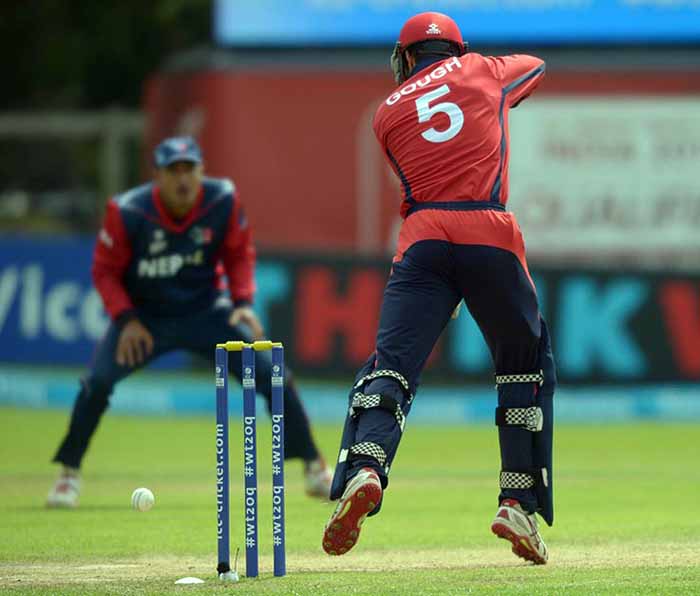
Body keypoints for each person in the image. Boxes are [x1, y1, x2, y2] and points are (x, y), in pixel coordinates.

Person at [321, 12, 555, 564]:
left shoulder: (386, 114)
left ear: (405, 58)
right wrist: (480, 77)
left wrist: (445, 286)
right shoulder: (484, 70)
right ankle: (517, 502)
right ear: (457, 48)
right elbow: (537, 67)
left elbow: (418, 179)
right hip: (488, 230)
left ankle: (367, 468)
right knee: (523, 365)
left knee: (391, 366)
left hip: (424, 236)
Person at [47, 136, 332, 508]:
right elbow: (105, 272)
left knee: (272, 375)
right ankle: (68, 474)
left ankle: (313, 467)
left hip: (207, 312)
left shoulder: (222, 200)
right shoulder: (128, 211)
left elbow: (239, 254)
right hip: (145, 319)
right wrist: (127, 319)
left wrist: (242, 302)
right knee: (96, 384)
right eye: (173, 170)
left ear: (201, 171)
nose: (182, 179)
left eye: (189, 169)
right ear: (157, 176)